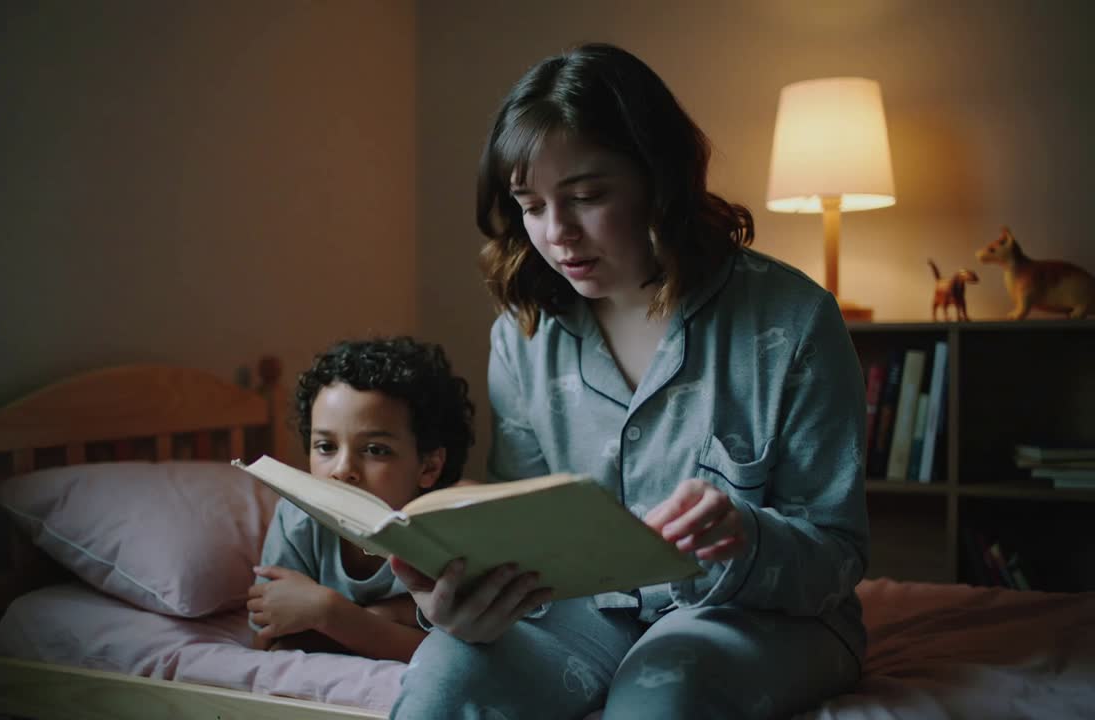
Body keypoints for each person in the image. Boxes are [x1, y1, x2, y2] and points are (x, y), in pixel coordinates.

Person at [389, 43, 868, 719]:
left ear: (659, 179)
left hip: (757, 615)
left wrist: (745, 537)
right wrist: (459, 600)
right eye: (530, 204)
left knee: (661, 689)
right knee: (445, 672)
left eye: (586, 197)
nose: (557, 235)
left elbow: (839, 553)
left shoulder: (792, 322)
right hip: (581, 618)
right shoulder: (523, 336)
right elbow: (522, 521)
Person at [247, 337, 475, 662]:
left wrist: (328, 612)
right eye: (325, 447)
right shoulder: (296, 520)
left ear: (429, 466)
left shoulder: (446, 534)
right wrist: (388, 619)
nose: (342, 470)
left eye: (375, 450)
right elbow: (268, 645)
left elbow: (454, 656)